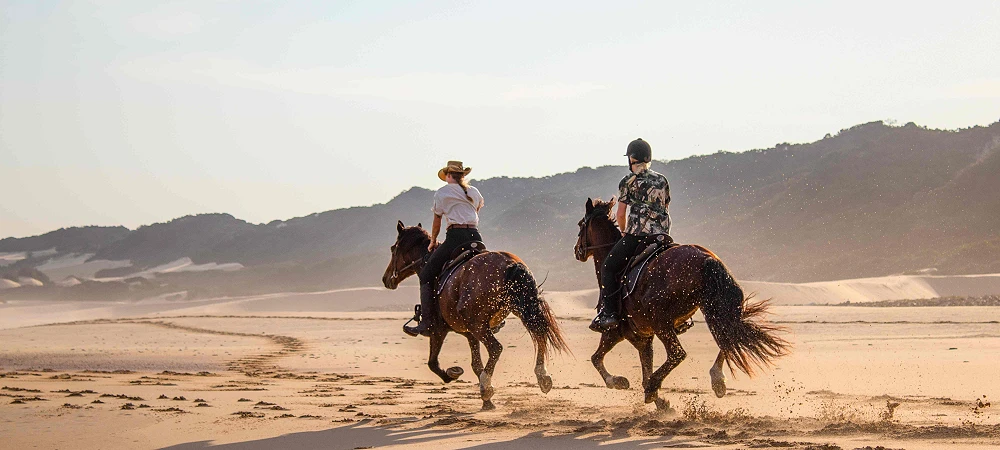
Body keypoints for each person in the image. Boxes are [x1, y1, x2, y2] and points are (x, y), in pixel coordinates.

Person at [590, 138, 672, 332]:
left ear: (631, 159)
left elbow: (620, 214)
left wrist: (624, 230)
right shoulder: (662, 180)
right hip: (662, 236)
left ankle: (609, 314)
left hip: (638, 236)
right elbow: (665, 206)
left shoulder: (627, 182)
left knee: (608, 267)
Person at [404, 161, 485, 337]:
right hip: (475, 236)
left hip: (455, 238)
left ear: (448, 175)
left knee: (426, 276)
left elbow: (437, 221)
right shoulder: (474, 191)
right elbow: (478, 208)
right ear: (462, 176)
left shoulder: (442, 192)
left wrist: (433, 241)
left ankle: (426, 322)